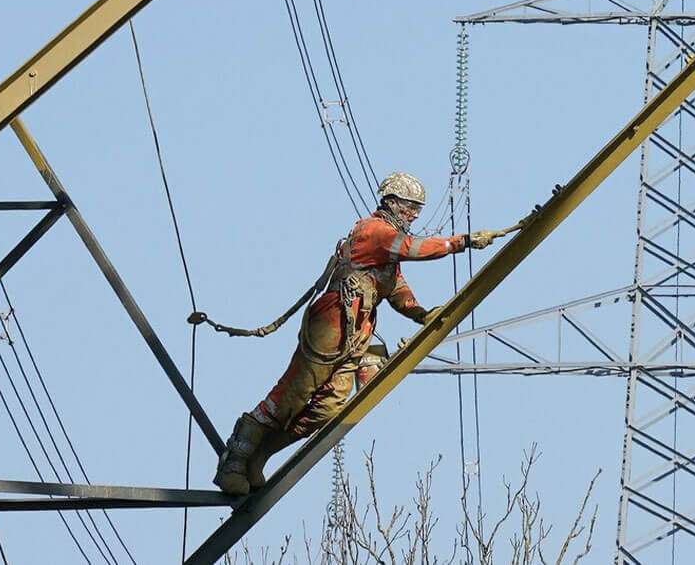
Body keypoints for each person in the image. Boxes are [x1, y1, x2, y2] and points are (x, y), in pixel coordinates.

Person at [213, 171, 496, 494]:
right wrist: (462, 242)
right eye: (410, 207)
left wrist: (421, 313)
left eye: (417, 208)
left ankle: (259, 455)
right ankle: (236, 458)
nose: (415, 215)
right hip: (331, 324)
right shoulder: (375, 231)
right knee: (294, 392)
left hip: (354, 334)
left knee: (330, 405)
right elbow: (413, 248)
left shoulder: (386, 249)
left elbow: (395, 288)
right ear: (391, 202)